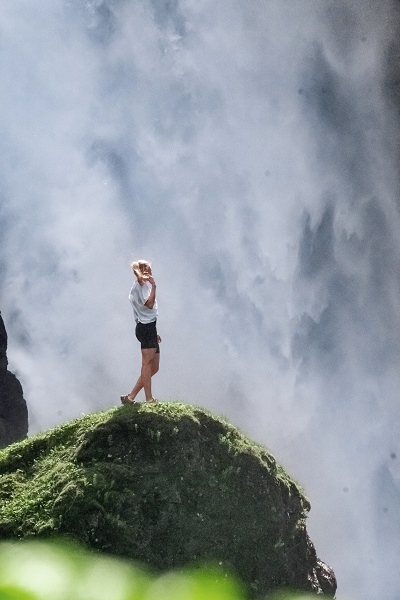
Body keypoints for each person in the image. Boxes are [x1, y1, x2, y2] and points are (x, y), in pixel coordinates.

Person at [120, 260, 161, 404]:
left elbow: (143, 312)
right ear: (144, 272)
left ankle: (130, 396)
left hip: (147, 327)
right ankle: (149, 398)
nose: (151, 273)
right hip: (146, 327)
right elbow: (149, 305)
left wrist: (154, 332)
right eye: (149, 270)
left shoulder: (138, 286)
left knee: (154, 366)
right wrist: (154, 287)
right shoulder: (142, 288)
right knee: (147, 364)